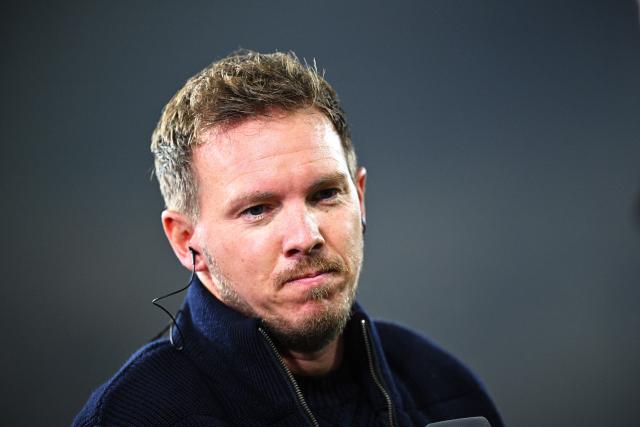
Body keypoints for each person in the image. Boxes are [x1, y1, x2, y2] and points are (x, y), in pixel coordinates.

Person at [74, 50, 503, 427]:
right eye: (258, 209)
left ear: (360, 197)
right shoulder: (135, 417)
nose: (306, 236)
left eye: (325, 194)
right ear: (187, 240)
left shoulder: (445, 390)